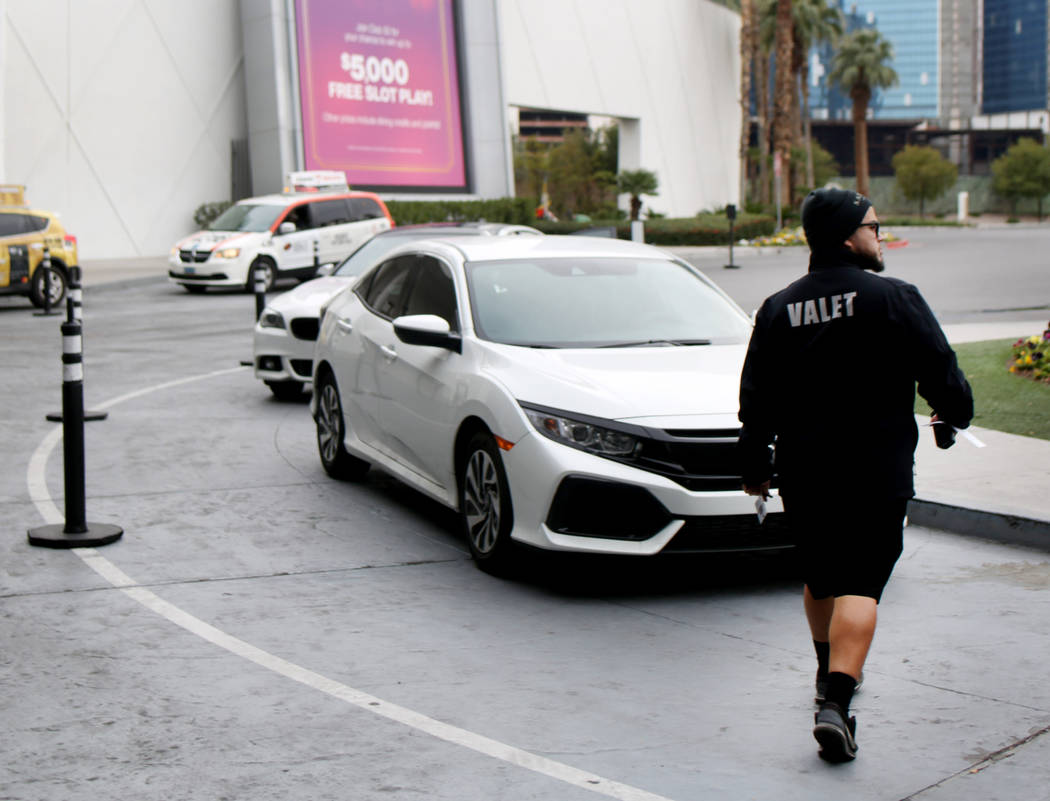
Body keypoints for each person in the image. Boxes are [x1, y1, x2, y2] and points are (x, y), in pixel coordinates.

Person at [737, 188, 973, 763]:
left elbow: (755, 397)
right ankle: (837, 704)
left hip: (803, 466)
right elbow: (941, 373)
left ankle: (826, 674)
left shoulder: (778, 307)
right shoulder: (894, 298)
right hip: (876, 465)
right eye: (873, 226)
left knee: (821, 576)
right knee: (861, 582)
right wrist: (953, 414)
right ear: (848, 236)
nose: (880, 234)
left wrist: (754, 463)